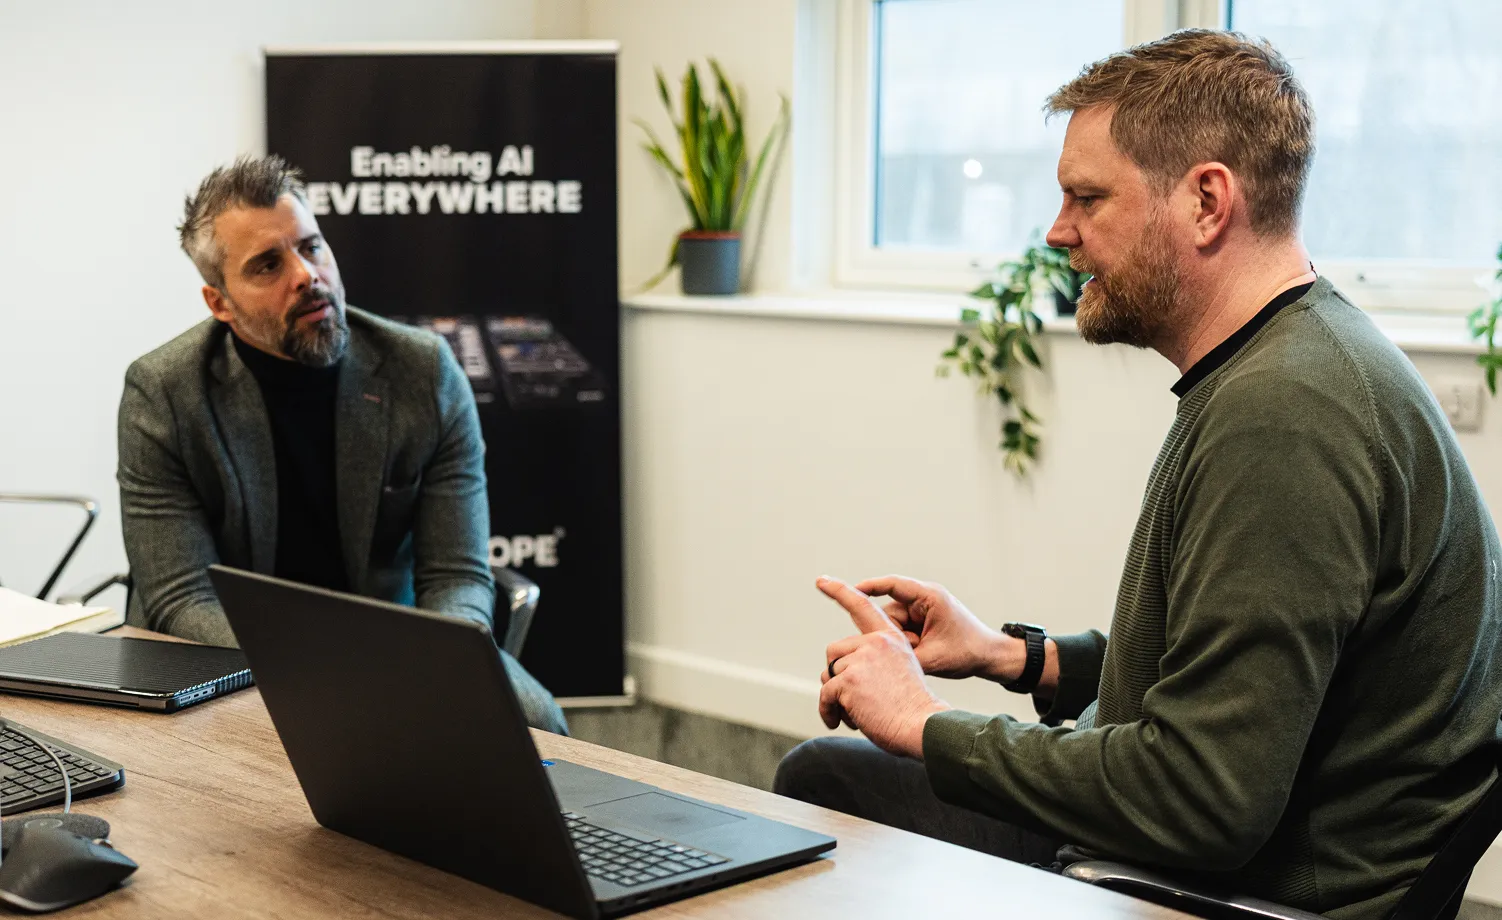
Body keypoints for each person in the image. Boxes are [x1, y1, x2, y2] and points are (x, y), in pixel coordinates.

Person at [774, 29, 1502, 920]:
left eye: (1088, 197)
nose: (1058, 232)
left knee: (829, 783)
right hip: (1245, 850)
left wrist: (924, 722)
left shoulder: (1285, 416)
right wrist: (1018, 657)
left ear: (1206, 201)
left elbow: (1202, 798)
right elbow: (1243, 682)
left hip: (1223, 890)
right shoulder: (1297, 361)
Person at [117, 154, 568, 734]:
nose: (306, 275)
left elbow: (456, 577)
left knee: (537, 720)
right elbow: (182, 599)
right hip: (223, 655)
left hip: (391, 645)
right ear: (219, 303)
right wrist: (314, 673)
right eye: (267, 265)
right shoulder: (164, 393)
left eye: (312, 246)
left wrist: (431, 664)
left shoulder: (422, 373)